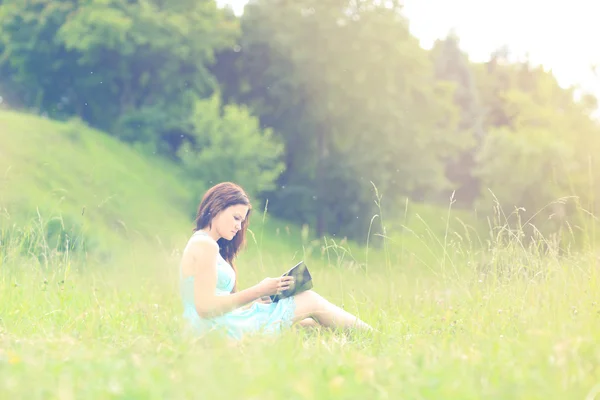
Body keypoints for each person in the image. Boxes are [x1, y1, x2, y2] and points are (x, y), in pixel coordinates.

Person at [179, 182, 373, 340]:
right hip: (213, 329)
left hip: (214, 325)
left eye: (242, 221)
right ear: (216, 208)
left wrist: (257, 300)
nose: (239, 226)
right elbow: (205, 308)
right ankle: (376, 337)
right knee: (309, 299)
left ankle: (357, 344)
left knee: (310, 326)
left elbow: (215, 300)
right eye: (236, 218)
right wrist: (259, 290)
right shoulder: (205, 246)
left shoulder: (206, 244)